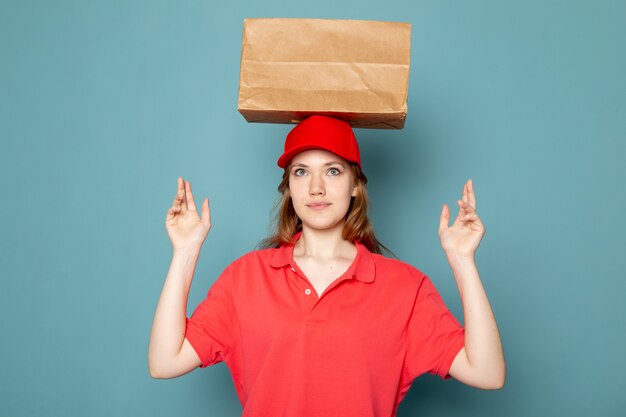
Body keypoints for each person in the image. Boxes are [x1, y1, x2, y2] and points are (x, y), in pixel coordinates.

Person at [148, 115, 506, 417]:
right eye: (302, 172)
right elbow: (165, 361)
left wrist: (463, 262)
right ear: (288, 187)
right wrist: (185, 251)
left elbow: (487, 372)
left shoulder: (404, 288)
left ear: (355, 185)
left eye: (333, 171)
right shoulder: (245, 278)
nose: (316, 188)